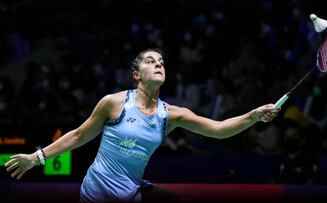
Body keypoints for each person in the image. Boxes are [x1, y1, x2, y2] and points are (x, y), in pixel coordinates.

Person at [5, 49, 280, 203]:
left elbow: (219, 129)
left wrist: (253, 116)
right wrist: (36, 157)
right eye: (151, 61)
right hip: (96, 195)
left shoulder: (171, 115)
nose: (158, 64)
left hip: (133, 194)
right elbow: (78, 136)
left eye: (161, 62)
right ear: (137, 75)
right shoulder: (113, 104)